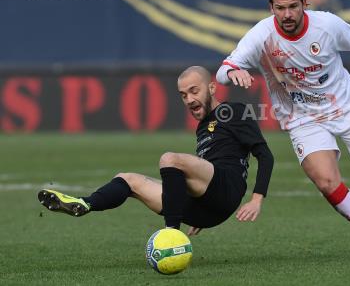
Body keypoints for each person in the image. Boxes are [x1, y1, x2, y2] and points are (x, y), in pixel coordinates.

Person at [216, 0, 350, 260]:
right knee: (326, 181)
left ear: (304, 3)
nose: (287, 14)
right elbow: (224, 69)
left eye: (293, 7)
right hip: (302, 117)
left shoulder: (326, 24)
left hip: (347, 108)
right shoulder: (261, 35)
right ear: (271, 7)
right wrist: (234, 71)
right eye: (280, 8)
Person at [38, 66, 274, 235]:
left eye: (194, 91)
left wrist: (256, 200)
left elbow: (265, 155)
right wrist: (204, 204)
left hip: (227, 189)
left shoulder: (233, 111)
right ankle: (85, 203)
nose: (189, 99)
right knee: (127, 179)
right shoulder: (203, 126)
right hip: (206, 206)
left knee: (170, 159)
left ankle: (170, 236)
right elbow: (204, 169)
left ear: (212, 88)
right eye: (183, 95)